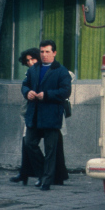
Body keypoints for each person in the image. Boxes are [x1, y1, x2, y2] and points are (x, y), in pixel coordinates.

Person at [18, 40, 72, 191]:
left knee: (50, 150)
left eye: (47, 51)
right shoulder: (34, 69)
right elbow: (25, 85)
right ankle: (43, 173)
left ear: (54, 53)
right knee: (29, 143)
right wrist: (27, 92)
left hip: (51, 115)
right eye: (42, 51)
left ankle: (47, 181)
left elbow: (66, 91)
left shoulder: (61, 71)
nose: (44, 54)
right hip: (34, 114)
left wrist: (47, 95)